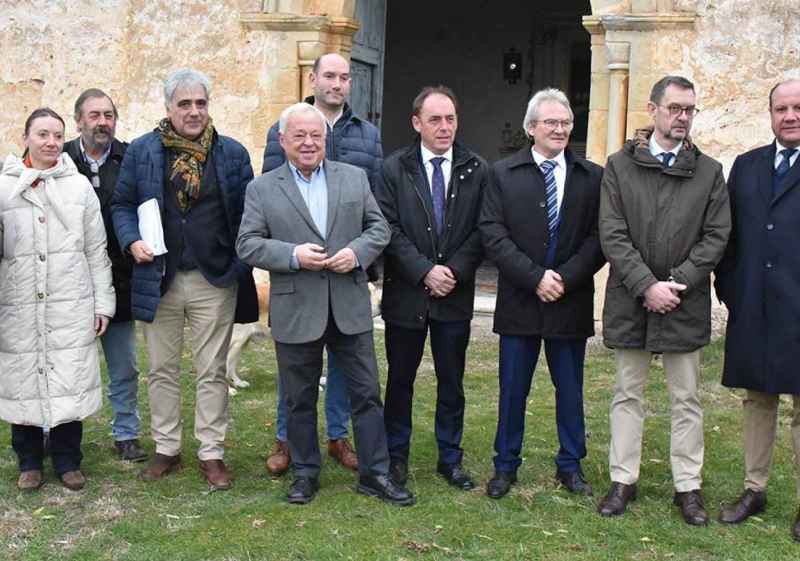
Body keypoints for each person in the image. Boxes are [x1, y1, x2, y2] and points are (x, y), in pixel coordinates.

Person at [237, 102, 413, 506]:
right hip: (296, 307)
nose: (308, 142)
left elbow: (379, 227)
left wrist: (356, 253)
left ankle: (376, 474)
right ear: (282, 141)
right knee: (299, 398)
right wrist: (293, 255)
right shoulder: (262, 188)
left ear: (326, 139)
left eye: (316, 135)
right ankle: (305, 473)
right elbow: (247, 243)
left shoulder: (353, 179)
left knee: (366, 394)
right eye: (298, 135)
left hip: (348, 305)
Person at [113, 68, 258, 490]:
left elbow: (249, 215)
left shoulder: (231, 154)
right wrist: (131, 240)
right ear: (168, 108)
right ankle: (167, 448)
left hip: (216, 279)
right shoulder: (143, 151)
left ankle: (211, 453)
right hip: (159, 278)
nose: (194, 112)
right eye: (184, 104)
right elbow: (122, 205)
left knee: (212, 370)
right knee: (161, 368)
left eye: (200, 103)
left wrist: (238, 266)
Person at [596, 75, 730, 525]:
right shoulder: (619, 166)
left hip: (683, 301)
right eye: (674, 108)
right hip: (631, 299)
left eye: (689, 109)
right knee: (627, 393)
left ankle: (687, 488)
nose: (682, 117)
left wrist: (677, 284)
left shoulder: (710, 172)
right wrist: (645, 285)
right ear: (652, 111)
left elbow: (716, 236)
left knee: (687, 398)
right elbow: (612, 233)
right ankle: (622, 479)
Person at [260, 52, 383, 476]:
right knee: (296, 379)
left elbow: (375, 210)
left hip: (346, 282)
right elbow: (270, 205)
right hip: (300, 288)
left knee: (352, 377)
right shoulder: (284, 130)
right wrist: (292, 254)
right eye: (329, 75)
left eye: (344, 76)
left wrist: (363, 257)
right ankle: (289, 441)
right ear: (313, 79)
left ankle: (338, 436)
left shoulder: (367, 136)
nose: (337, 83)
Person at [480, 88, 605, 499]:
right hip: (520, 300)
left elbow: (598, 238)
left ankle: (570, 464)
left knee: (569, 388)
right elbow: (493, 234)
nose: (560, 129)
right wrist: (534, 277)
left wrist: (564, 279)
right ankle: (505, 465)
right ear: (531, 127)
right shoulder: (502, 174)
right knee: (513, 388)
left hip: (569, 301)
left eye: (566, 122)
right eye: (551, 122)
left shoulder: (592, 176)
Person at [374, 86, 486, 490]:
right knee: (400, 379)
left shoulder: (476, 168)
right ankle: (396, 456)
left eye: (450, 119)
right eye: (435, 119)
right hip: (406, 294)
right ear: (416, 123)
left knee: (451, 381)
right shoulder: (393, 169)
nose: (444, 127)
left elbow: (482, 229)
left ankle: (450, 458)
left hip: (454, 295)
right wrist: (424, 271)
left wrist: (452, 271)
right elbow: (388, 227)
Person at [0, 107, 115, 491]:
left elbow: (97, 250)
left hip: (69, 300)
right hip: (18, 303)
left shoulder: (78, 186)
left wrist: (103, 304)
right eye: (42, 135)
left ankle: (68, 460)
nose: (50, 142)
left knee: (70, 377)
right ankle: (29, 461)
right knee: (23, 378)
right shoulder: (4, 187)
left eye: (56, 135)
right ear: (26, 139)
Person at [715, 78, 800, 541]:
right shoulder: (746, 167)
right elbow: (728, 240)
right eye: (781, 108)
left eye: (797, 108)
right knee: (757, 400)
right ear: (770, 114)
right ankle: (755, 488)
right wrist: (732, 290)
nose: (789, 116)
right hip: (754, 307)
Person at [63, 89, 145, 462]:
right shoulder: (59, 159)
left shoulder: (131, 159)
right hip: (67, 283)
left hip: (120, 280)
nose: (102, 122)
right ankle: (58, 433)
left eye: (109, 115)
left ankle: (126, 431)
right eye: (94, 115)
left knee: (124, 364)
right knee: (67, 366)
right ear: (79, 120)